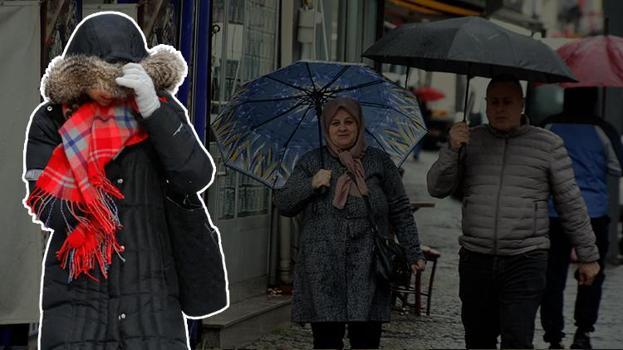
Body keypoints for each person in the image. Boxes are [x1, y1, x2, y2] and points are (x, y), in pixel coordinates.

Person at [23, 12, 214, 349]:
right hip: (77, 297)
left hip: (151, 297)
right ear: (79, 77)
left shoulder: (160, 111)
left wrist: (153, 110)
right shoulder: (52, 120)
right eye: (100, 78)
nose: (111, 91)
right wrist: (96, 204)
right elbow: (46, 206)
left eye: (118, 78)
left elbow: (195, 176)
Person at [426, 76, 601, 349]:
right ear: (485, 105)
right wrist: (451, 150)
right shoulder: (471, 140)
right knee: (477, 339)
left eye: (508, 102)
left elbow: (570, 202)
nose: (500, 108)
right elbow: (437, 188)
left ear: (521, 104)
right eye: (494, 102)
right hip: (476, 258)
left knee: (517, 339)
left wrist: (588, 256)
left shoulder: (548, 144)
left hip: (526, 258)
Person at [274, 97, 426, 349]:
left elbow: (400, 208)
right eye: (335, 123)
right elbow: (284, 204)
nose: (342, 128)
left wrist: (413, 252)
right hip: (323, 267)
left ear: (359, 125)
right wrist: (311, 184)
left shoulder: (379, 161)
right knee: (326, 341)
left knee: (366, 340)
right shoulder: (312, 162)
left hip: (369, 265)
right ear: (326, 128)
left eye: (349, 122)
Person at [539, 87, 623, 350]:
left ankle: (553, 336)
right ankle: (583, 333)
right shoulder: (603, 129)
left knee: (552, 277)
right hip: (593, 212)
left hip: (554, 213)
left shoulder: (548, 126)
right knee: (592, 274)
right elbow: (618, 167)